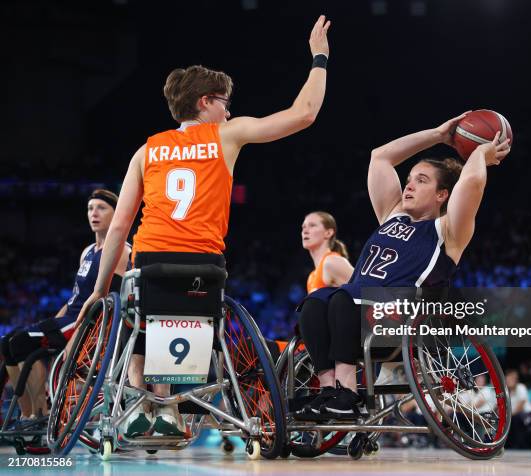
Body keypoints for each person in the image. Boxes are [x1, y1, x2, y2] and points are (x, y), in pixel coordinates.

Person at [71, 15, 332, 438]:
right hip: (203, 261)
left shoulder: (147, 149)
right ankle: (171, 410)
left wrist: (100, 291)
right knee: (189, 315)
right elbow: (303, 115)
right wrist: (319, 58)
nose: (228, 109)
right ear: (205, 102)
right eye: (224, 101)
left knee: (144, 314)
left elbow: (119, 227)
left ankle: (141, 399)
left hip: (151, 257)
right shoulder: (227, 134)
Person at [297, 113, 511, 420]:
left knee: (345, 297)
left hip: (406, 321)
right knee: (314, 304)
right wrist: (438, 134)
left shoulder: (449, 231)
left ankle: (348, 393)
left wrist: (479, 152)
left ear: (442, 195)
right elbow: (380, 157)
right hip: (360, 314)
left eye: (420, 181)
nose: (408, 186)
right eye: (408, 179)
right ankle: (330, 391)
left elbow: (473, 181)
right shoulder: (392, 214)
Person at [0, 190, 130, 422]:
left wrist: (76, 336)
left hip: (86, 324)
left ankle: (41, 412)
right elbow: (74, 297)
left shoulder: (121, 251)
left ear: (116, 213)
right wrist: (51, 322)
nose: (94, 213)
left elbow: (106, 304)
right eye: (90, 208)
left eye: (101, 208)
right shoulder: (87, 252)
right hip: (69, 317)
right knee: (7, 343)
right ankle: (28, 414)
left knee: (20, 343)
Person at [302, 211, 353, 293]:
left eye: (312, 225)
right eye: (303, 227)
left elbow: (370, 291)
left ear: (328, 233)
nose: (305, 231)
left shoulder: (331, 261)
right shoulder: (311, 277)